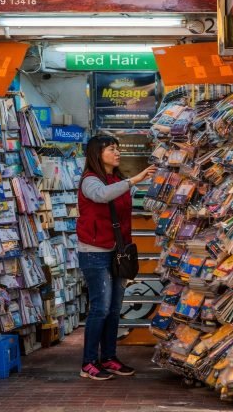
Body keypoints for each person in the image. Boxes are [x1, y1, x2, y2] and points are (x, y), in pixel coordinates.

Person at [76, 135, 156, 380]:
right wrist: (135, 179)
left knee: (113, 309)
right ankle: (88, 362)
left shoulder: (118, 179)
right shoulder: (90, 180)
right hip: (94, 252)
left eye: (118, 148)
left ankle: (108, 357)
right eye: (111, 149)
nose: (117, 153)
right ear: (97, 153)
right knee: (100, 308)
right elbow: (101, 195)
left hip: (117, 252)